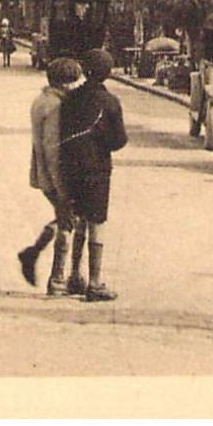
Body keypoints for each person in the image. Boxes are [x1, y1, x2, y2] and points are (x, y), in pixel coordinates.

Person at [57, 49, 129, 301]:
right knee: (97, 222)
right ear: (108, 73)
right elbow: (119, 140)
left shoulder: (70, 98)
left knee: (77, 220)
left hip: (70, 167)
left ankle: (74, 275)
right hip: (97, 169)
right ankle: (95, 282)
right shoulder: (110, 102)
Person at [18, 57, 80, 294]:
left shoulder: (41, 100)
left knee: (65, 218)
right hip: (55, 176)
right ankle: (57, 279)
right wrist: (62, 185)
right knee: (67, 222)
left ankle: (33, 255)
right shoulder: (55, 106)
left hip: (42, 172)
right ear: (65, 83)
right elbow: (53, 147)